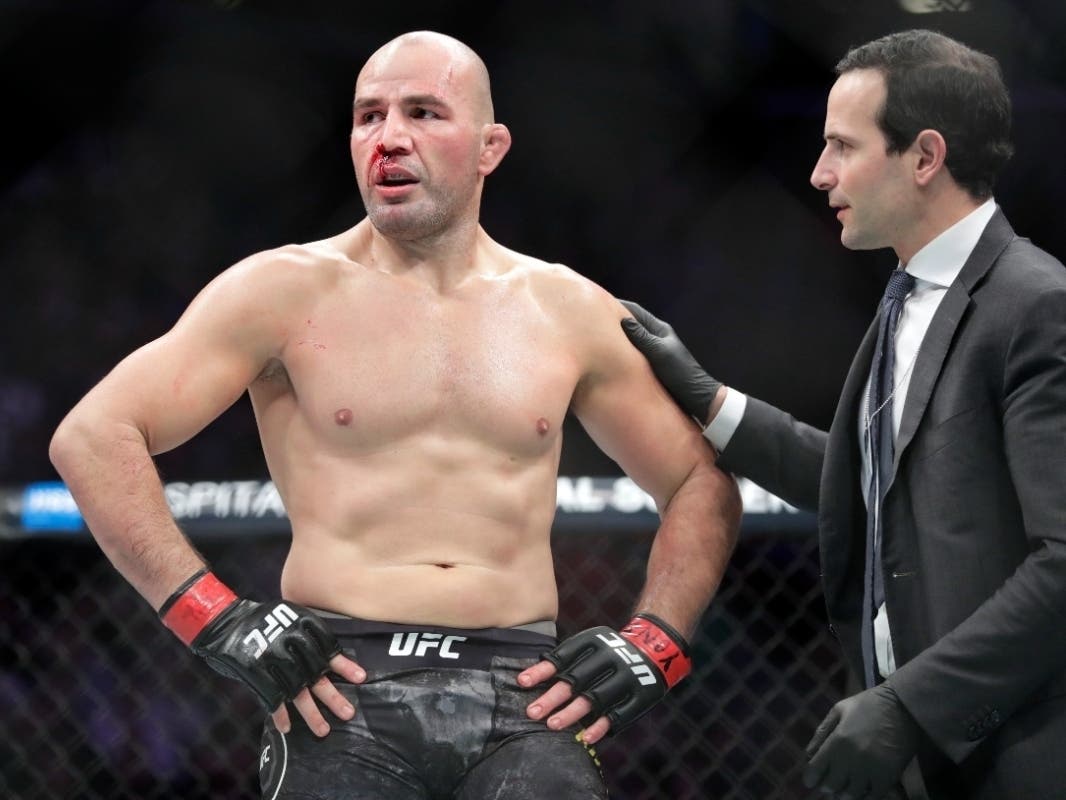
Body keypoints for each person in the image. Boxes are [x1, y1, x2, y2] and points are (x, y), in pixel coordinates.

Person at [48, 30, 741, 800]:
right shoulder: (283, 293)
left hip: (525, 694)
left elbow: (698, 480)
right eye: (368, 115)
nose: (389, 139)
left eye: (422, 113)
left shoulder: (567, 309)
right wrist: (212, 617)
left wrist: (657, 640)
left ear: (490, 147)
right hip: (341, 689)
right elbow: (93, 435)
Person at [621, 29, 1066, 800]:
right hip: (924, 758)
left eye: (842, 146)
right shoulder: (909, 298)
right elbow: (871, 482)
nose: (820, 174)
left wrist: (911, 703)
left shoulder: (1035, 305)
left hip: (1014, 753)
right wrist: (709, 400)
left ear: (925, 158)